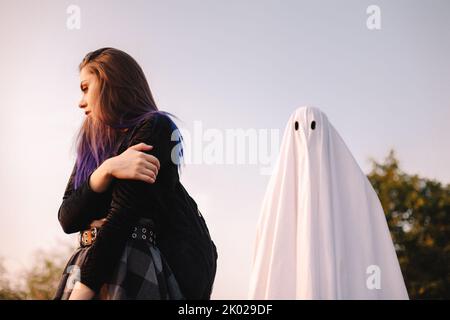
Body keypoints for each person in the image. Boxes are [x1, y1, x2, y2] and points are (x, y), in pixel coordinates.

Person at [54, 47, 218, 300]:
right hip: (84, 263)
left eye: (86, 87)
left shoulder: (155, 127)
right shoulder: (91, 146)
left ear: (110, 82)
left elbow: (123, 217)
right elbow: (67, 218)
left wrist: (82, 292)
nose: (80, 101)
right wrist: (105, 170)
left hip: (128, 263)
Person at [248, 106, 408, 299]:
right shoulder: (274, 202)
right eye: (298, 128)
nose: (307, 139)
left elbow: (371, 254)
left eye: (314, 127)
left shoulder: (360, 193)